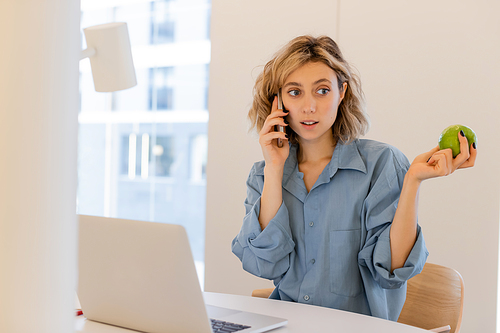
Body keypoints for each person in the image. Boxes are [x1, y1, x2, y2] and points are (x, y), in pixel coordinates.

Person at [231, 35, 477, 321]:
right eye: (295, 92)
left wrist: (413, 182)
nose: (309, 107)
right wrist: (274, 168)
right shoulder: (263, 174)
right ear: (278, 100)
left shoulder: (381, 164)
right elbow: (265, 265)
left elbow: (391, 271)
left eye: (322, 90)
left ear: (341, 92)